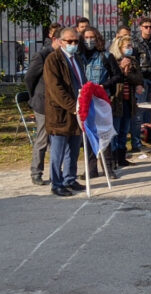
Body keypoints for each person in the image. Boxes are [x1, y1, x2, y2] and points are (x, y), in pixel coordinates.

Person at [43, 27, 86, 197]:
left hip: (76, 113)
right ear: (61, 42)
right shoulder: (53, 60)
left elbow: (82, 82)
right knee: (58, 151)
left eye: (76, 41)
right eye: (70, 41)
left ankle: (70, 178)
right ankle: (57, 182)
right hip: (60, 113)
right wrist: (74, 107)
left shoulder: (77, 59)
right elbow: (56, 89)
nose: (73, 44)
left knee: (73, 149)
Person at [80, 26, 121, 179]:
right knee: (88, 134)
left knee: (104, 133)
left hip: (102, 100)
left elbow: (117, 76)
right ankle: (91, 169)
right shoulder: (78, 57)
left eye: (92, 37)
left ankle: (108, 169)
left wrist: (103, 86)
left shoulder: (105, 56)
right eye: (86, 38)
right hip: (85, 101)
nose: (89, 41)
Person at [23, 25, 61, 186]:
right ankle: (36, 172)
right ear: (55, 39)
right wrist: (35, 96)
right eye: (64, 41)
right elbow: (29, 78)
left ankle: (56, 173)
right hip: (42, 102)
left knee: (57, 139)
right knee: (43, 138)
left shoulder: (63, 56)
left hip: (57, 103)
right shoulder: (42, 55)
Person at [108, 35, 144, 171]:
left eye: (131, 46)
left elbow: (138, 78)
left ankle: (122, 157)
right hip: (117, 101)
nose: (130, 49)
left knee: (124, 131)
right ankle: (112, 159)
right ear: (119, 48)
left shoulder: (133, 61)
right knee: (115, 131)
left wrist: (127, 73)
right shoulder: (113, 61)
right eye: (127, 46)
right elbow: (115, 79)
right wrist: (122, 70)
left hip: (129, 101)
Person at [132, 17, 151, 152]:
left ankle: (148, 137)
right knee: (139, 111)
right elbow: (134, 64)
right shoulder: (136, 42)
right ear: (140, 27)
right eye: (146, 27)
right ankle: (136, 142)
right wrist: (138, 81)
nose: (149, 29)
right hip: (142, 79)